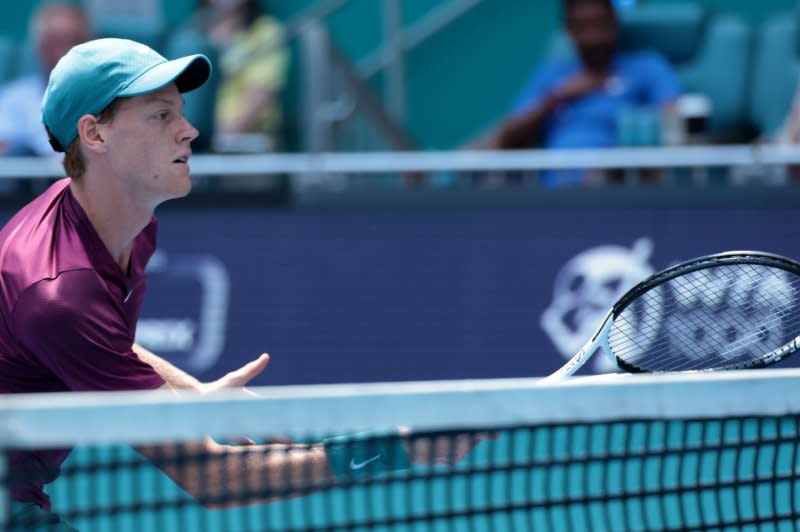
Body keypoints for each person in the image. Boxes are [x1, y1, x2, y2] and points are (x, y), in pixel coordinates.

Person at [0, 38, 477, 530]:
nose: (190, 130)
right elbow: (218, 480)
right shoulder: (60, 290)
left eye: (181, 112)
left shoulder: (113, 220)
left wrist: (190, 392)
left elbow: (106, 341)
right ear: (94, 134)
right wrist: (399, 447)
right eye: (161, 116)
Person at [490, 0, 681, 186]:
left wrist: (616, 163)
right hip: (556, 196)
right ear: (569, 30)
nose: (593, 37)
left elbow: (673, 124)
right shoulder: (553, 77)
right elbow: (505, 139)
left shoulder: (647, 67)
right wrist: (559, 96)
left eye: (600, 24)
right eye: (582, 26)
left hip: (622, 190)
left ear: (614, 22)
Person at [0, 2, 91, 157]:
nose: (64, 52)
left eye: (73, 42)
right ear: (39, 47)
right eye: (54, 43)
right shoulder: (13, 97)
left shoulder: (109, 99)